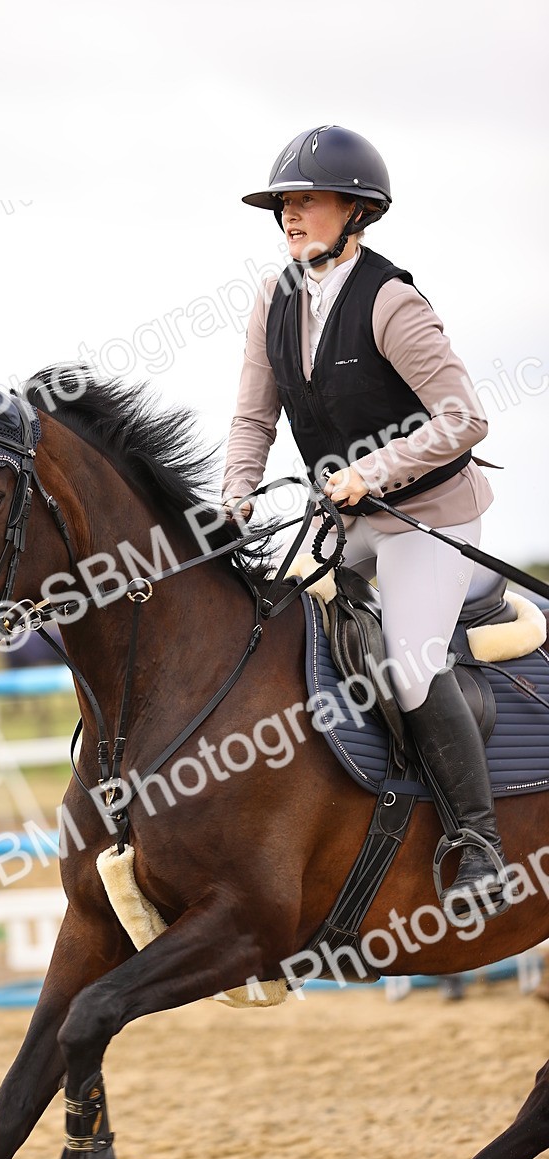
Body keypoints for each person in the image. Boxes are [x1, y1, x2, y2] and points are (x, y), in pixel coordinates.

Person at [222, 124, 506, 916]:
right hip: (344, 522)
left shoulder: (391, 300)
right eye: (283, 202)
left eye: (306, 200)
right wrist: (234, 498)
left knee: (409, 666)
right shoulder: (272, 299)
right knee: (267, 639)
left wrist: (373, 471)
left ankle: (478, 841)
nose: (290, 214)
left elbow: (463, 417)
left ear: (357, 211)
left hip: (426, 520)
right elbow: (253, 420)